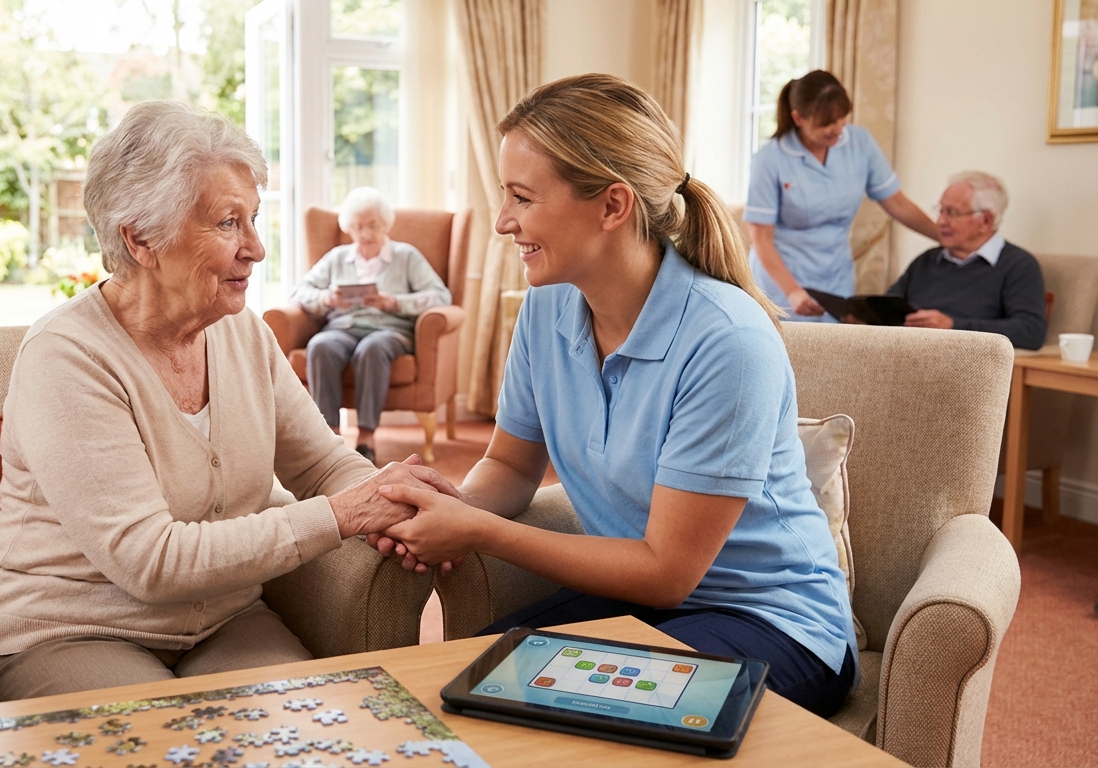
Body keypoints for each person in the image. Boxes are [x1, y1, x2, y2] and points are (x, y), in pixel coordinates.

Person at [370, 74, 859, 717]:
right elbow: (514, 465)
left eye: (522, 197)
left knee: (555, 716)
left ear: (612, 206)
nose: (501, 221)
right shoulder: (545, 310)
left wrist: (479, 531)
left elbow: (666, 570)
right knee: (464, 683)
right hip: (651, 605)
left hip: (774, 623)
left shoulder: (728, 342)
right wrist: (444, 507)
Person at [0, 101, 457, 704]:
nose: (256, 248)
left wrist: (392, 500)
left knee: (306, 734)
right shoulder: (65, 357)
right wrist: (342, 516)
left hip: (224, 622)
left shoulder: (242, 331)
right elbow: (150, 560)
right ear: (141, 238)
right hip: (68, 631)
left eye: (253, 219)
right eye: (228, 223)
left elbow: (322, 465)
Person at [744, 70, 940, 320]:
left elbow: (897, 203)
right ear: (798, 118)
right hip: (782, 282)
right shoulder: (770, 159)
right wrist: (792, 291)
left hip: (835, 278)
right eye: (825, 124)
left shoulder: (859, 143)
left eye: (841, 120)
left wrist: (943, 237)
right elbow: (761, 239)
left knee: (835, 352)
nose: (836, 130)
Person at [290, 187, 451, 464]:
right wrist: (327, 299)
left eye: (372, 226)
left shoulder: (406, 257)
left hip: (389, 330)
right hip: (342, 327)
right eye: (358, 227)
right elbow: (299, 291)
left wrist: (394, 303)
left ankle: (366, 436)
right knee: (320, 346)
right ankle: (329, 438)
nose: (365, 234)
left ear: (385, 224)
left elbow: (440, 296)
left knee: (372, 348)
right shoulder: (338, 257)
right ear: (349, 228)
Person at [887, 171, 1046, 349]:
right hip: (903, 356)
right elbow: (886, 305)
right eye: (940, 211)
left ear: (985, 220)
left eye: (951, 213)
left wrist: (953, 326)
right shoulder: (927, 260)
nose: (940, 221)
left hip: (963, 365)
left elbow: (1031, 331)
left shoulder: (1018, 265)